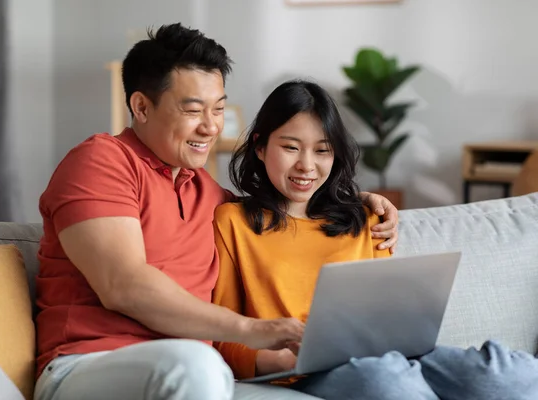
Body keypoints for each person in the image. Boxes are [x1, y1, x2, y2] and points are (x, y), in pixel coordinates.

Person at [33, 23, 399, 400]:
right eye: (193, 110)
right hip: (89, 366)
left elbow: (284, 209)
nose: (210, 127)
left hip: (200, 379)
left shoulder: (206, 193)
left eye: (219, 109)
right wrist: (250, 330)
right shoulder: (101, 161)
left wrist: (356, 200)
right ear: (141, 106)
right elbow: (123, 286)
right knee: (197, 362)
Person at [212, 79, 538, 400]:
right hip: (310, 372)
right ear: (259, 146)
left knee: (508, 375)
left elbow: (391, 317)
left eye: (322, 150)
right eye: (290, 147)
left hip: (394, 356)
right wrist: (277, 359)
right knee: (387, 383)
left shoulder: (364, 217)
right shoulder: (233, 224)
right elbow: (223, 334)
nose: (306, 165)